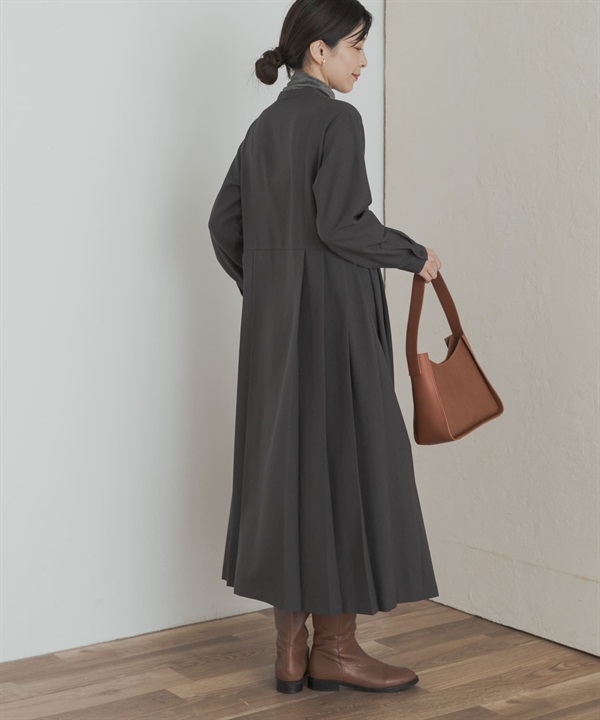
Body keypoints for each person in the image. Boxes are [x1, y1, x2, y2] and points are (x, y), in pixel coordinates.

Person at [208, 0, 442, 696]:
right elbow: (342, 225)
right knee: (345, 464)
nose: (364, 61)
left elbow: (223, 224)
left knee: (290, 467)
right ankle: (335, 651)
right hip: (337, 322)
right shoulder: (338, 121)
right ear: (319, 49)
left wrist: (271, 288)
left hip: (276, 329)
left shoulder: (263, 127)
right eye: (356, 45)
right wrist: (414, 253)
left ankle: (290, 651)